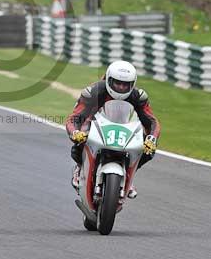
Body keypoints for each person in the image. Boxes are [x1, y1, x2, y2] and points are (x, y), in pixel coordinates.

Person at [65, 60, 160, 198]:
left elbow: (152, 121)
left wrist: (152, 138)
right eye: (117, 83)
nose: (121, 87)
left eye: (125, 84)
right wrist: (75, 132)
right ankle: (80, 168)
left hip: (125, 127)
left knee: (148, 150)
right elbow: (75, 117)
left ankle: (129, 176)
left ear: (132, 84)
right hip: (94, 123)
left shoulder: (138, 97)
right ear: (109, 80)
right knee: (81, 137)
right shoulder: (94, 91)